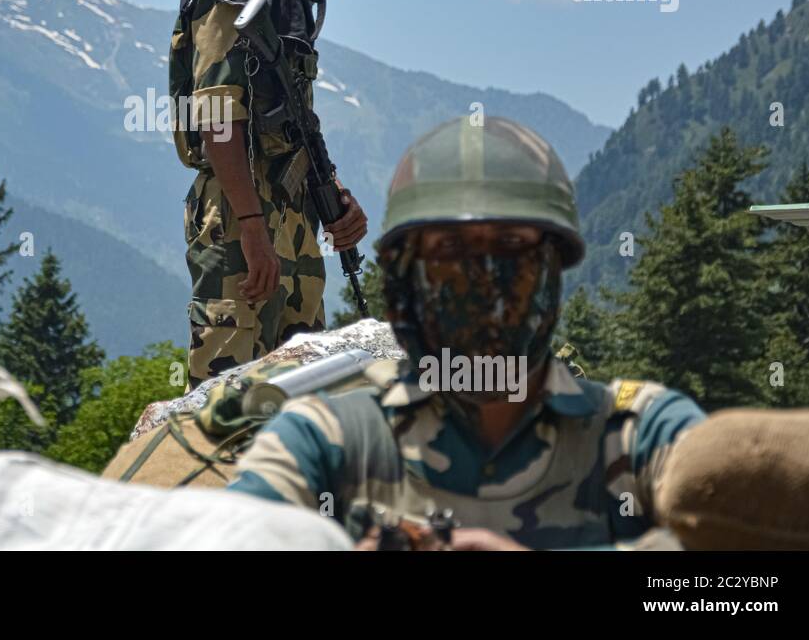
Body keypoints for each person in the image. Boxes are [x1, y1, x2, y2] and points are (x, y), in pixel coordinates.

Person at [225, 115, 707, 549]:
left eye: (511, 246)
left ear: (551, 267)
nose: (482, 278)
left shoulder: (642, 436)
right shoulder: (325, 441)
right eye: (449, 249)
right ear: (403, 277)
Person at [170, 0, 367, 389]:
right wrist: (252, 226)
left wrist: (331, 195)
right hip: (242, 217)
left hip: (290, 212)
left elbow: (287, 109)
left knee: (306, 395)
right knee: (227, 404)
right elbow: (217, 113)